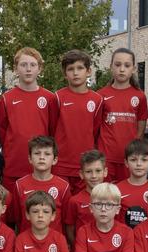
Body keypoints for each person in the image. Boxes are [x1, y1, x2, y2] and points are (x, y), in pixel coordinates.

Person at [0, 47, 56, 196]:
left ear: (40, 69)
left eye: (33, 65)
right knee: (12, 207)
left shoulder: (49, 98)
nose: (28, 69)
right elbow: (2, 132)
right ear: (15, 69)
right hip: (14, 166)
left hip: (41, 168)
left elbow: (53, 131)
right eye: (23, 65)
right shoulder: (7, 98)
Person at [53, 49, 103, 193]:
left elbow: (95, 131)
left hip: (86, 165)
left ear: (88, 71)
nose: (75, 73)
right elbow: (51, 128)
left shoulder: (97, 100)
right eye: (70, 69)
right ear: (65, 73)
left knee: (83, 203)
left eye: (80, 68)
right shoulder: (57, 97)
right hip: (61, 165)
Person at [97, 48, 148, 183]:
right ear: (111, 67)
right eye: (118, 64)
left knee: (126, 193)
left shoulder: (140, 96)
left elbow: (141, 128)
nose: (122, 69)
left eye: (127, 65)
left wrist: (134, 153)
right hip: (106, 158)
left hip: (129, 159)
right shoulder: (100, 95)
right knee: (105, 194)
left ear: (134, 69)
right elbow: (95, 127)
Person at [14, 136, 71, 234]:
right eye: (37, 153)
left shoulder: (63, 186)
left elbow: (66, 220)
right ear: (30, 158)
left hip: (54, 241)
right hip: (26, 241)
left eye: (47, 154)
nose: (41, 157)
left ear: (55, 160)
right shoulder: (20, 185)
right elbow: (17, 219)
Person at [116, 139, 148, 229]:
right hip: (124, 236)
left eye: (144, 160)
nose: (139, 164)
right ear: (126, 163)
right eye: (133, 160)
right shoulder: (116, 190)